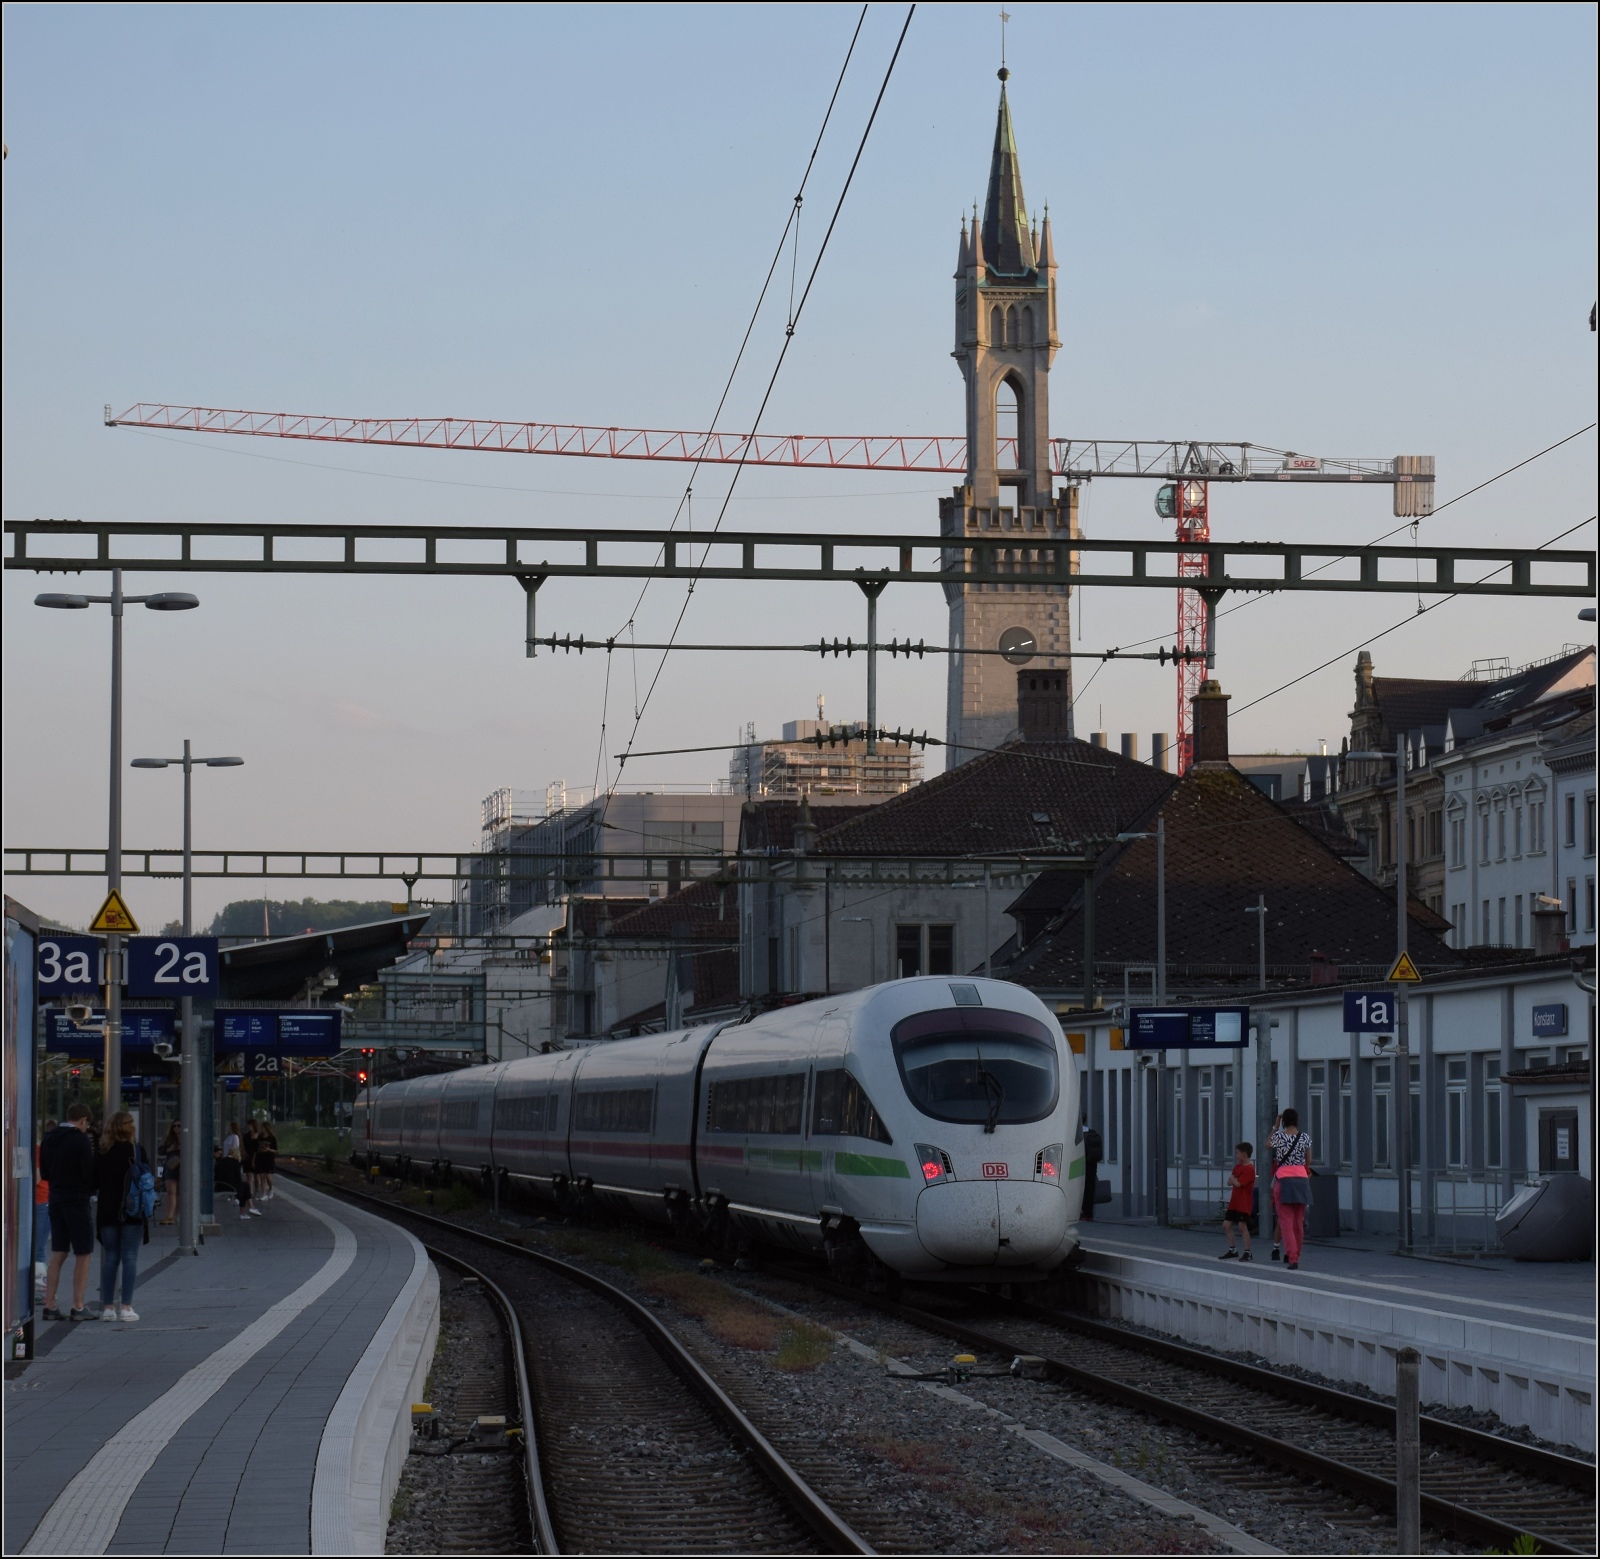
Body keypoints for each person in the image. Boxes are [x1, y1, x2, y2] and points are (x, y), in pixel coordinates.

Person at [39, 1105, 96, 1321]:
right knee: (83, 1253)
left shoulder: (49, 1138)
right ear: (83, 1120)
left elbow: (45, 1172)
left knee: (59, 1252)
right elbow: (88, 1172)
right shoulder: (80, 1140)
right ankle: (78, 1306)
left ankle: (50, 1305)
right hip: (77, 1200)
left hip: (55, 1198)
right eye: (87, 1124)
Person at [93, 1111, 149, 1322]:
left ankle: (108, 1308)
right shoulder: (137, 1151)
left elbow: (92, 1181)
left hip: (107, 1210)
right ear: (130, 1127)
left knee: (111, 1257)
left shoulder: (102, 1152)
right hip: (132, 1210)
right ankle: (126, 1307)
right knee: (130, 1256)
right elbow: (147, 1178)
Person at [1269, 1109, 1312, 1270]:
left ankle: (1292, 1258)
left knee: (1286, 1222)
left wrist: (1275, 1126)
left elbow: (1267, 1144)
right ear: (1297, 1120)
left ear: (1283, 1121)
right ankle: (1297, 1255)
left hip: (1283, 1181)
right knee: (1298, 1222)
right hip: (1301, 1181)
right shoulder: (1305, 1137)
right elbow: (1308, 1161)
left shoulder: (1279, 1137)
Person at [1219, 1141, 1256, 1260]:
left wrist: (1234, 1180)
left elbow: (1239, 1183)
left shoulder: (1249, 1169)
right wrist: (1233, 1180)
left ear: (1244, 1154)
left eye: (1237, 1153)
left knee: (1242, 1226)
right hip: (1234, 1202)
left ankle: (1247, 1252)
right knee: (1226, 1225)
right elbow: (1229, 1182)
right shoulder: (1238, 1167)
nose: (1236, 1155)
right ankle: (1233, 1249)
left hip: (1244, 1202)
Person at [215, 1143, 259, 1219]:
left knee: (244, 1185)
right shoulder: (236, 1162)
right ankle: (246, 1210)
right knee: (245, 1186)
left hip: (219, 1186)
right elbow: (238, 1178)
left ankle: (250, 1207)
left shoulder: (221, 1161)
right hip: (230, 1187)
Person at [1080, 1113, 1103, 1222]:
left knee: (1080, 1190)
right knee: (1090, 1189)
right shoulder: (1091, 1133)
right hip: (1092, 1165)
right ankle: (1089, 1214)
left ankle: (1082, 1212)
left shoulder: (1077, 1134)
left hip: (1080, 1165)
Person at [159, 1120, 181, 1225]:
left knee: (180, 1193)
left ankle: (178, 1215)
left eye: (179, 1126)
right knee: (171, 1193)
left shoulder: (187, 1136)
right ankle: (170, 1216)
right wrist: (170, 1149)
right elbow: (160, 1150)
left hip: (182, 1167)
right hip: (171, 1167)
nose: (176, 1128)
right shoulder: (169, 1139)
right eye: (174, 1126)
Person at [255, 1119, 278, 1202]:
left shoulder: (272, 1138)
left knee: (268, 1177)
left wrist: (269, 1149)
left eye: (263, 1127)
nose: (261, 1129)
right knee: (262, 1177)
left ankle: (271, 1188)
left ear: (266, 1128)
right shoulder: (260, 1137)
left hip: (269, 1159)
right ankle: (264, 1194)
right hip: (261, 1158)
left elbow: (275, 1150)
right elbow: (256, 1148)